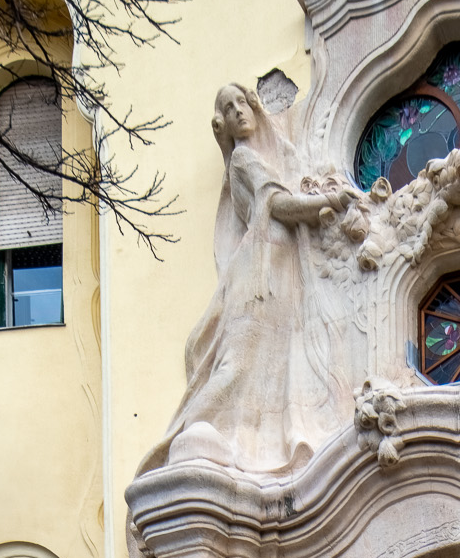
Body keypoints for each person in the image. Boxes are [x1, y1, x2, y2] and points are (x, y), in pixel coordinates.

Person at [151, 83, 357, 474]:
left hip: (275, 268)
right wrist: (329, 202)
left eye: (242, 103)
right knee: (237, 362)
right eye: (229, 109)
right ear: (223, 124)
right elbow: (281, 206)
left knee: (266, 364)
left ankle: (246, 441)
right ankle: (192, 431)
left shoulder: (261, 157)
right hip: (258, 270)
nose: (238, 112)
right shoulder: (244, 159)